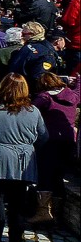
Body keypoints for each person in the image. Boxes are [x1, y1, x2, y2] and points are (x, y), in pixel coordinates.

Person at [0, 74, 48, 242]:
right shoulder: (33, 111)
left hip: (0, 156)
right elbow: (44, 136)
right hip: (23, 159)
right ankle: (15, 240)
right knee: (18, 202)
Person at [28, 72, 80, 225]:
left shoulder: (44, 98)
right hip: (68, 142)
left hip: (49, 142)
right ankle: (56, 213)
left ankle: (43, 212)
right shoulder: (72, 95)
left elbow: (30, 110)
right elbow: (79, 91)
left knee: (45, 175)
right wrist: (78, 80)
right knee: (59, 176)